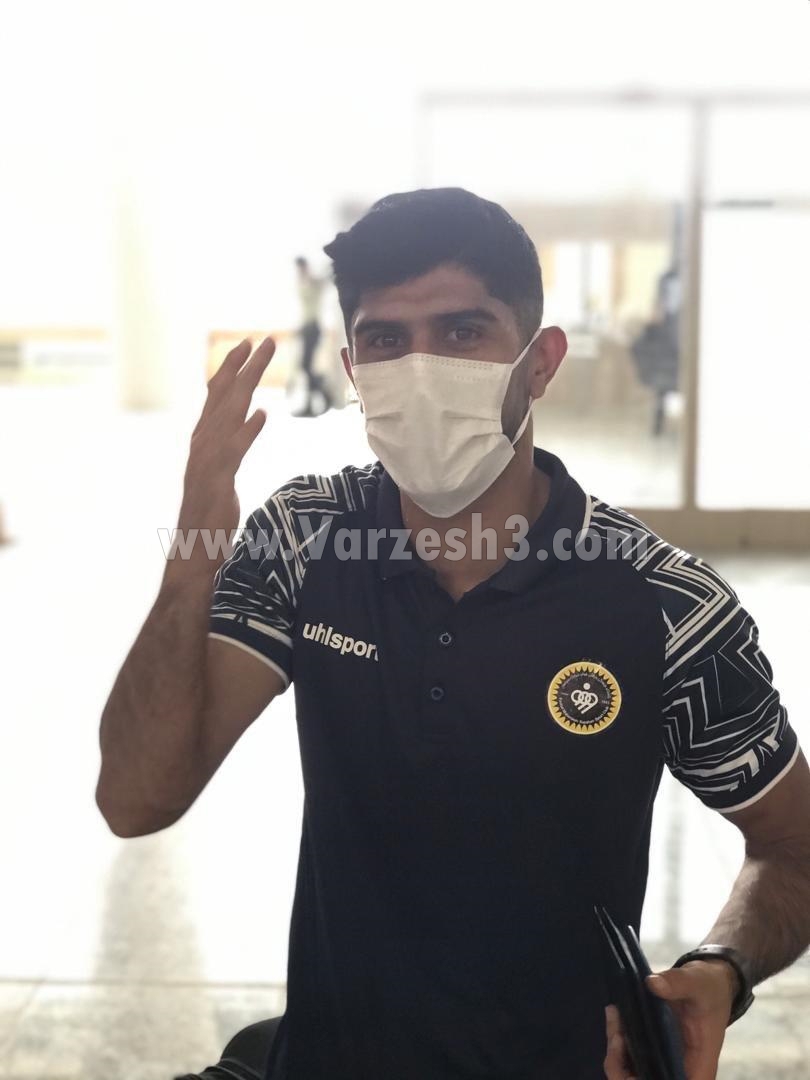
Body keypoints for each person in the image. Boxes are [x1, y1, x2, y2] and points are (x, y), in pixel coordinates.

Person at [97, 188, 810, 1079]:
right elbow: (136, 800)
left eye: (463, 332)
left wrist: (720, 969)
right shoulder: (306, 539)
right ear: (353, 368)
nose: (421, 369)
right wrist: (193, 553)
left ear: (540, 362)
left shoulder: (663, 605)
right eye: (386, 341)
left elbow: (796, 850)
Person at [291, 256, 332, 417]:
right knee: (305, 366)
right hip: (306, 328)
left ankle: (321, 396)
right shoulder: (302, 282)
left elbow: (327, 275)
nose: (299, 270)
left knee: (306, 366)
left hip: (313, 327)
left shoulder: (314, 282)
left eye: (301, 267)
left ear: (305, 267)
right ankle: (319, 398)